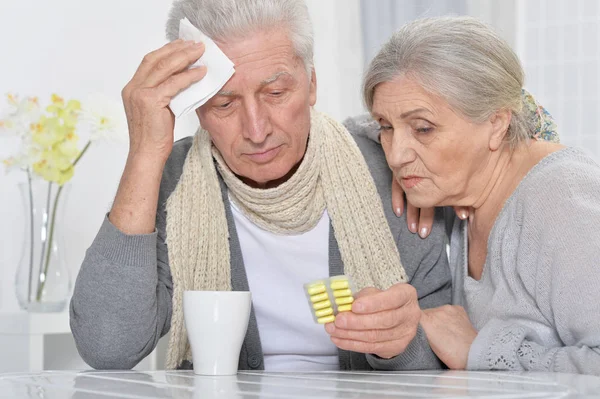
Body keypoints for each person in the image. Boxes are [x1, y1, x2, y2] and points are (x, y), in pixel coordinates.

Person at [70, 0, 451, 371]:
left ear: (312, 83)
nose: (256, 131)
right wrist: (145, 153)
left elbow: (445, 361)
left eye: (275, 93)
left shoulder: (390, 176)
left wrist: (400, 343)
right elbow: (108, 348)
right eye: (224, 104)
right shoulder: (174, 182)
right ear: (196, 106)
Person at [364, 15, 600, 375]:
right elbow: (348, 131)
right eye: (386, 127)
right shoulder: (464, 191)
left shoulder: (561, 198)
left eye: (423, 128)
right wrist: (408, 168)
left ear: (496, 123)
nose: (395, 155)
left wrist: (479, 352)